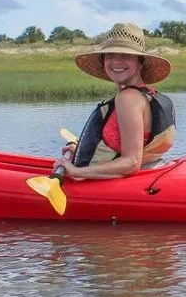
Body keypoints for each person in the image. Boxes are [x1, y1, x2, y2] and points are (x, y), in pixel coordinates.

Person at [52, 22, 177, 180]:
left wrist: (74, 171)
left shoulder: (128, 99)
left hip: (116, 186)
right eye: (110, 55)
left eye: (125, 55)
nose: (116, 61)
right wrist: (84, 149)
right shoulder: (147, 95)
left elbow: (132, 163)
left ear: (140, 62)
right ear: (104, 60)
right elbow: (125, 147)